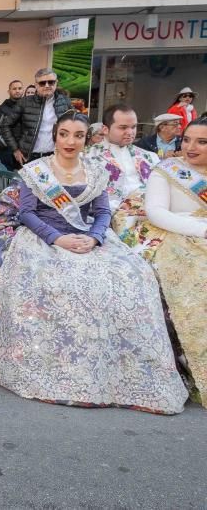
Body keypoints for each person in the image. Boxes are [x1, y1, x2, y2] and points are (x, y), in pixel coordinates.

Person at [0, 111, 187, 414]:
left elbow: (102, 212)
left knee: (134, 277)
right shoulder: (36, 170)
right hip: (43, 238)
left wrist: (94, 238)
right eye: (64, 134)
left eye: (78, 135)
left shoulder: (96, 170)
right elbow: (26, 213)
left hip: (88, 236)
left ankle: (120, 367)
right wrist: (57, 239)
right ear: (55, 136)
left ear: (87, 138)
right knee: (57, 283)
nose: (70, 141)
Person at [115, 118, 207, 406]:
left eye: (202, 142)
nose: (191, 147)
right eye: (187, 139)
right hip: (171, 236)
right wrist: (202, 229)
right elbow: (156, 213)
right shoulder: (167, 170)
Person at [87, 104, 158, 213]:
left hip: (151, 211)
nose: (130, 133)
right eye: (123, 127)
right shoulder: (89, 157)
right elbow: (86, 197)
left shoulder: (149, 157)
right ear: (105, 129)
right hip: (111, 215)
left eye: (133, 127)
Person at [0, 68, 72, 166]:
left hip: (55, 156)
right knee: (29, 182)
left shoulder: (65, 102)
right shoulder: (25, 102)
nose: (47, 86)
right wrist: (15, 149)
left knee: (54, 182)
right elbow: (5, 125)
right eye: (42, 83)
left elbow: (74, 125)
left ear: (56, 83)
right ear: (36, 85)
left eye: (51, 82)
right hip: (30, 157)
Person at [0, 80, 25, 171]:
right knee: (8, 179)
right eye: (14, 89)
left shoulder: (27, 108)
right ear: (9, 92)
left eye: (20, 88)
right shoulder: (1, 109)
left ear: (23, 90)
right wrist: (4, 146)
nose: (17, 91)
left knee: (25, 180)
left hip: (24, 150)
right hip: (7, 153)